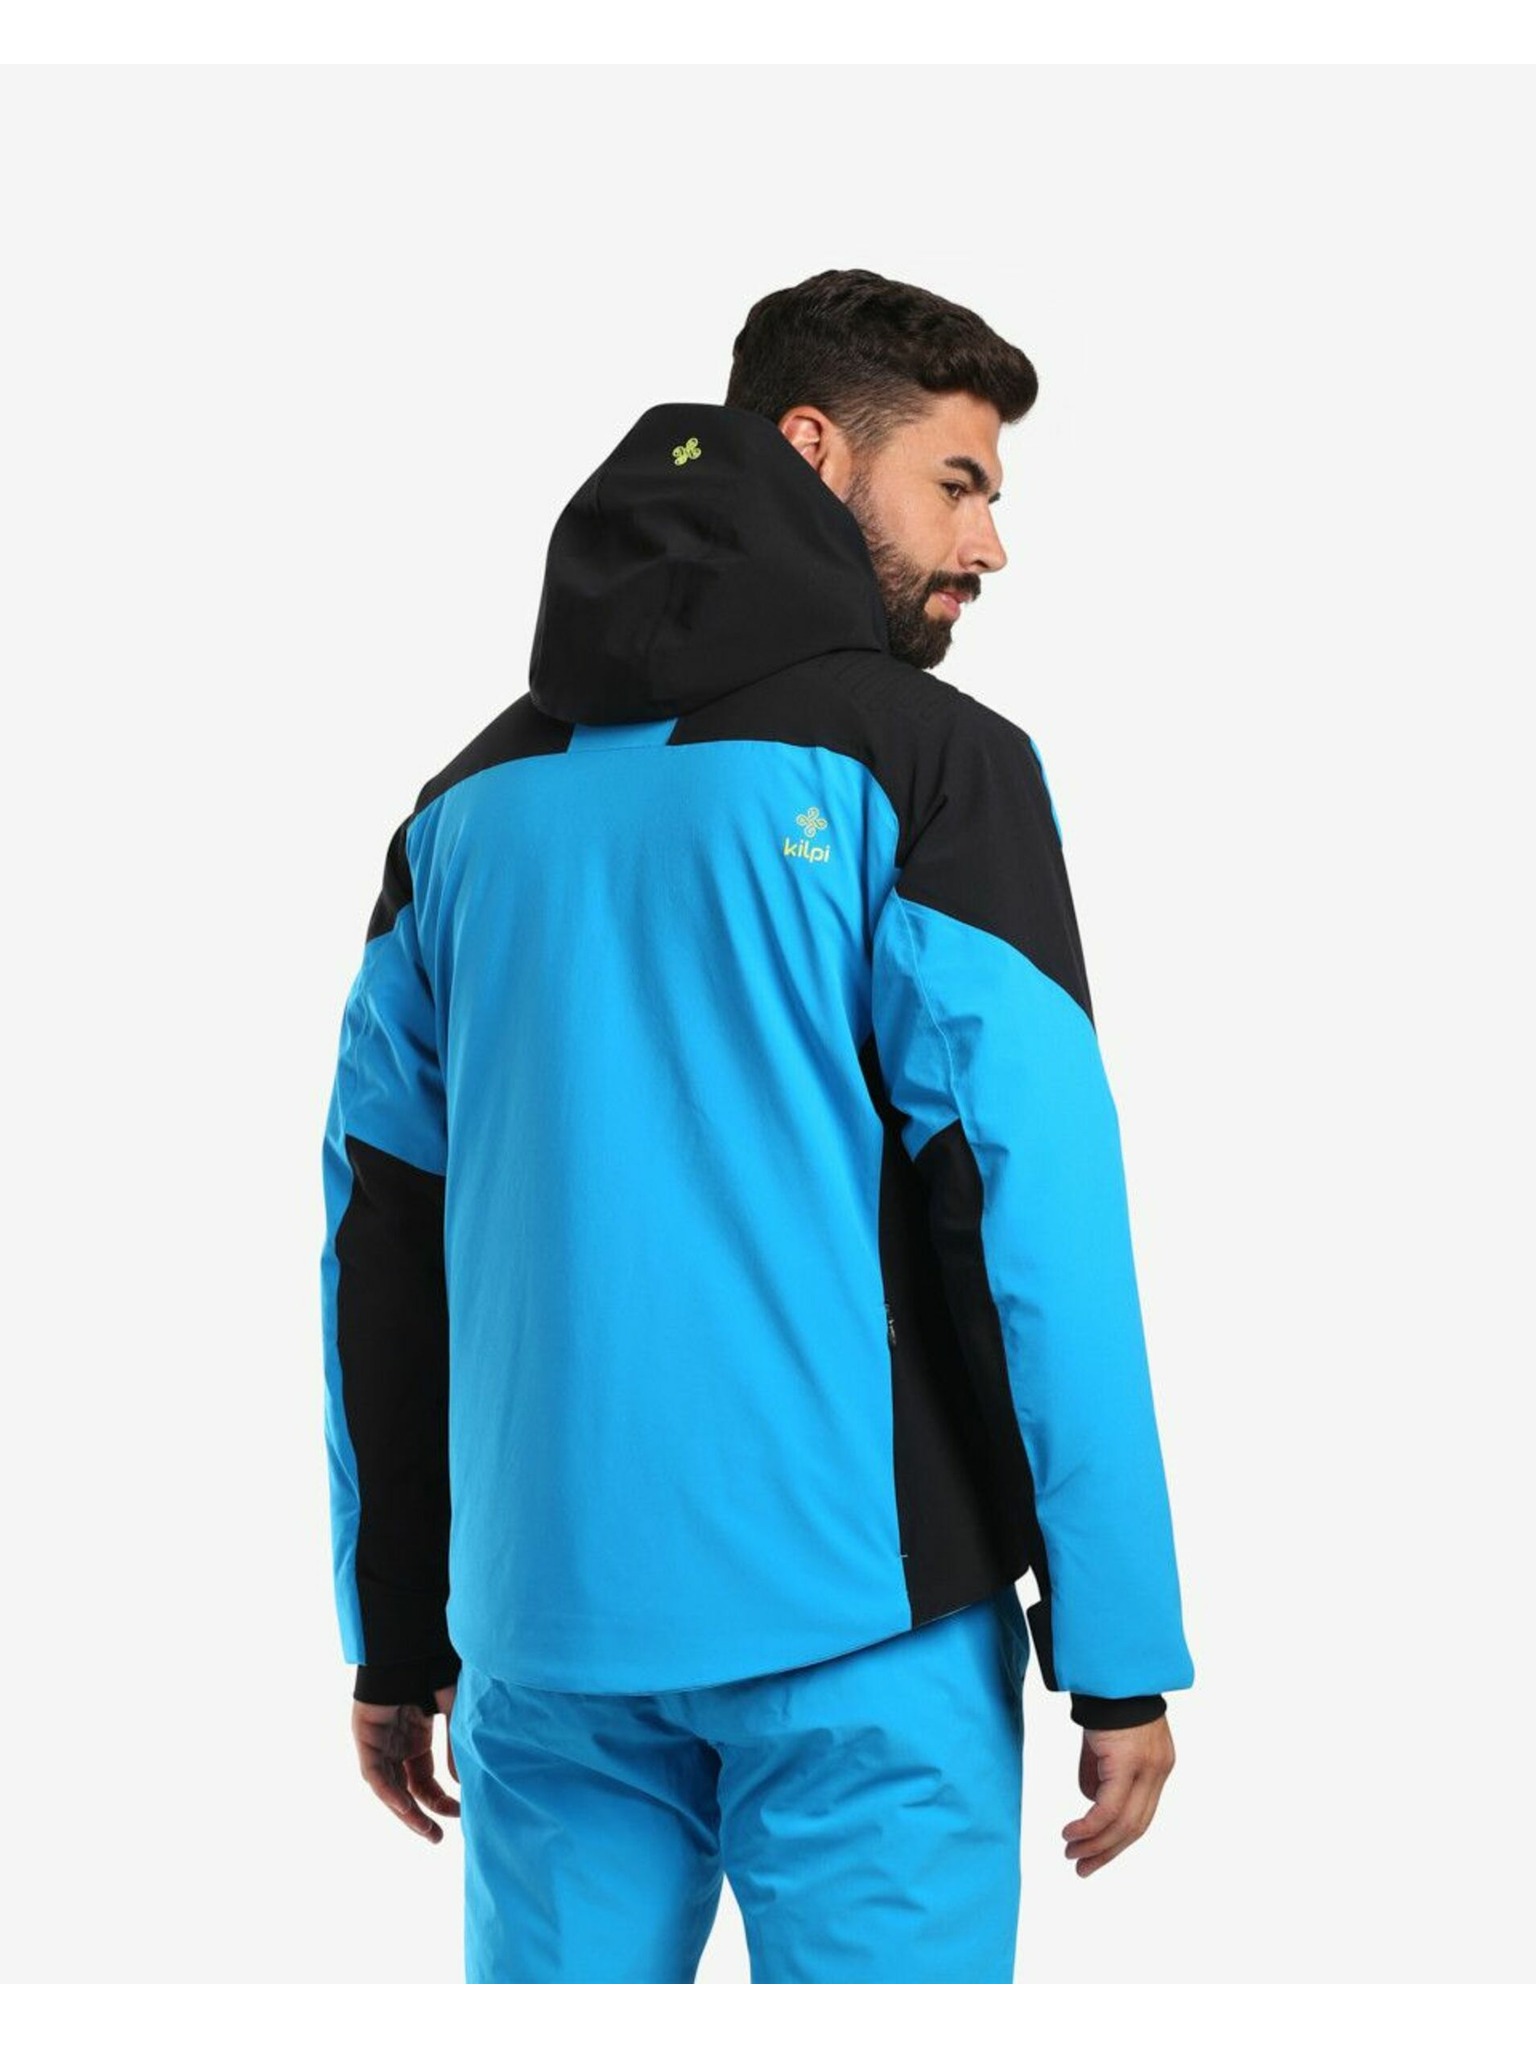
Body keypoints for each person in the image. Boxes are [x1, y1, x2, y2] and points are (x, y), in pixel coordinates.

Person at [319, 267, 1195, 1984]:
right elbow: (1030, 1216)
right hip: (864, 1627)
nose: (989, 545)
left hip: (540, 1642)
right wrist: (1117, 1648)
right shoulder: (930, 763)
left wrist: (400, 1632)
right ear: (812, 447)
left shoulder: (459, 810)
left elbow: (384, 1237)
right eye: (959, 483)